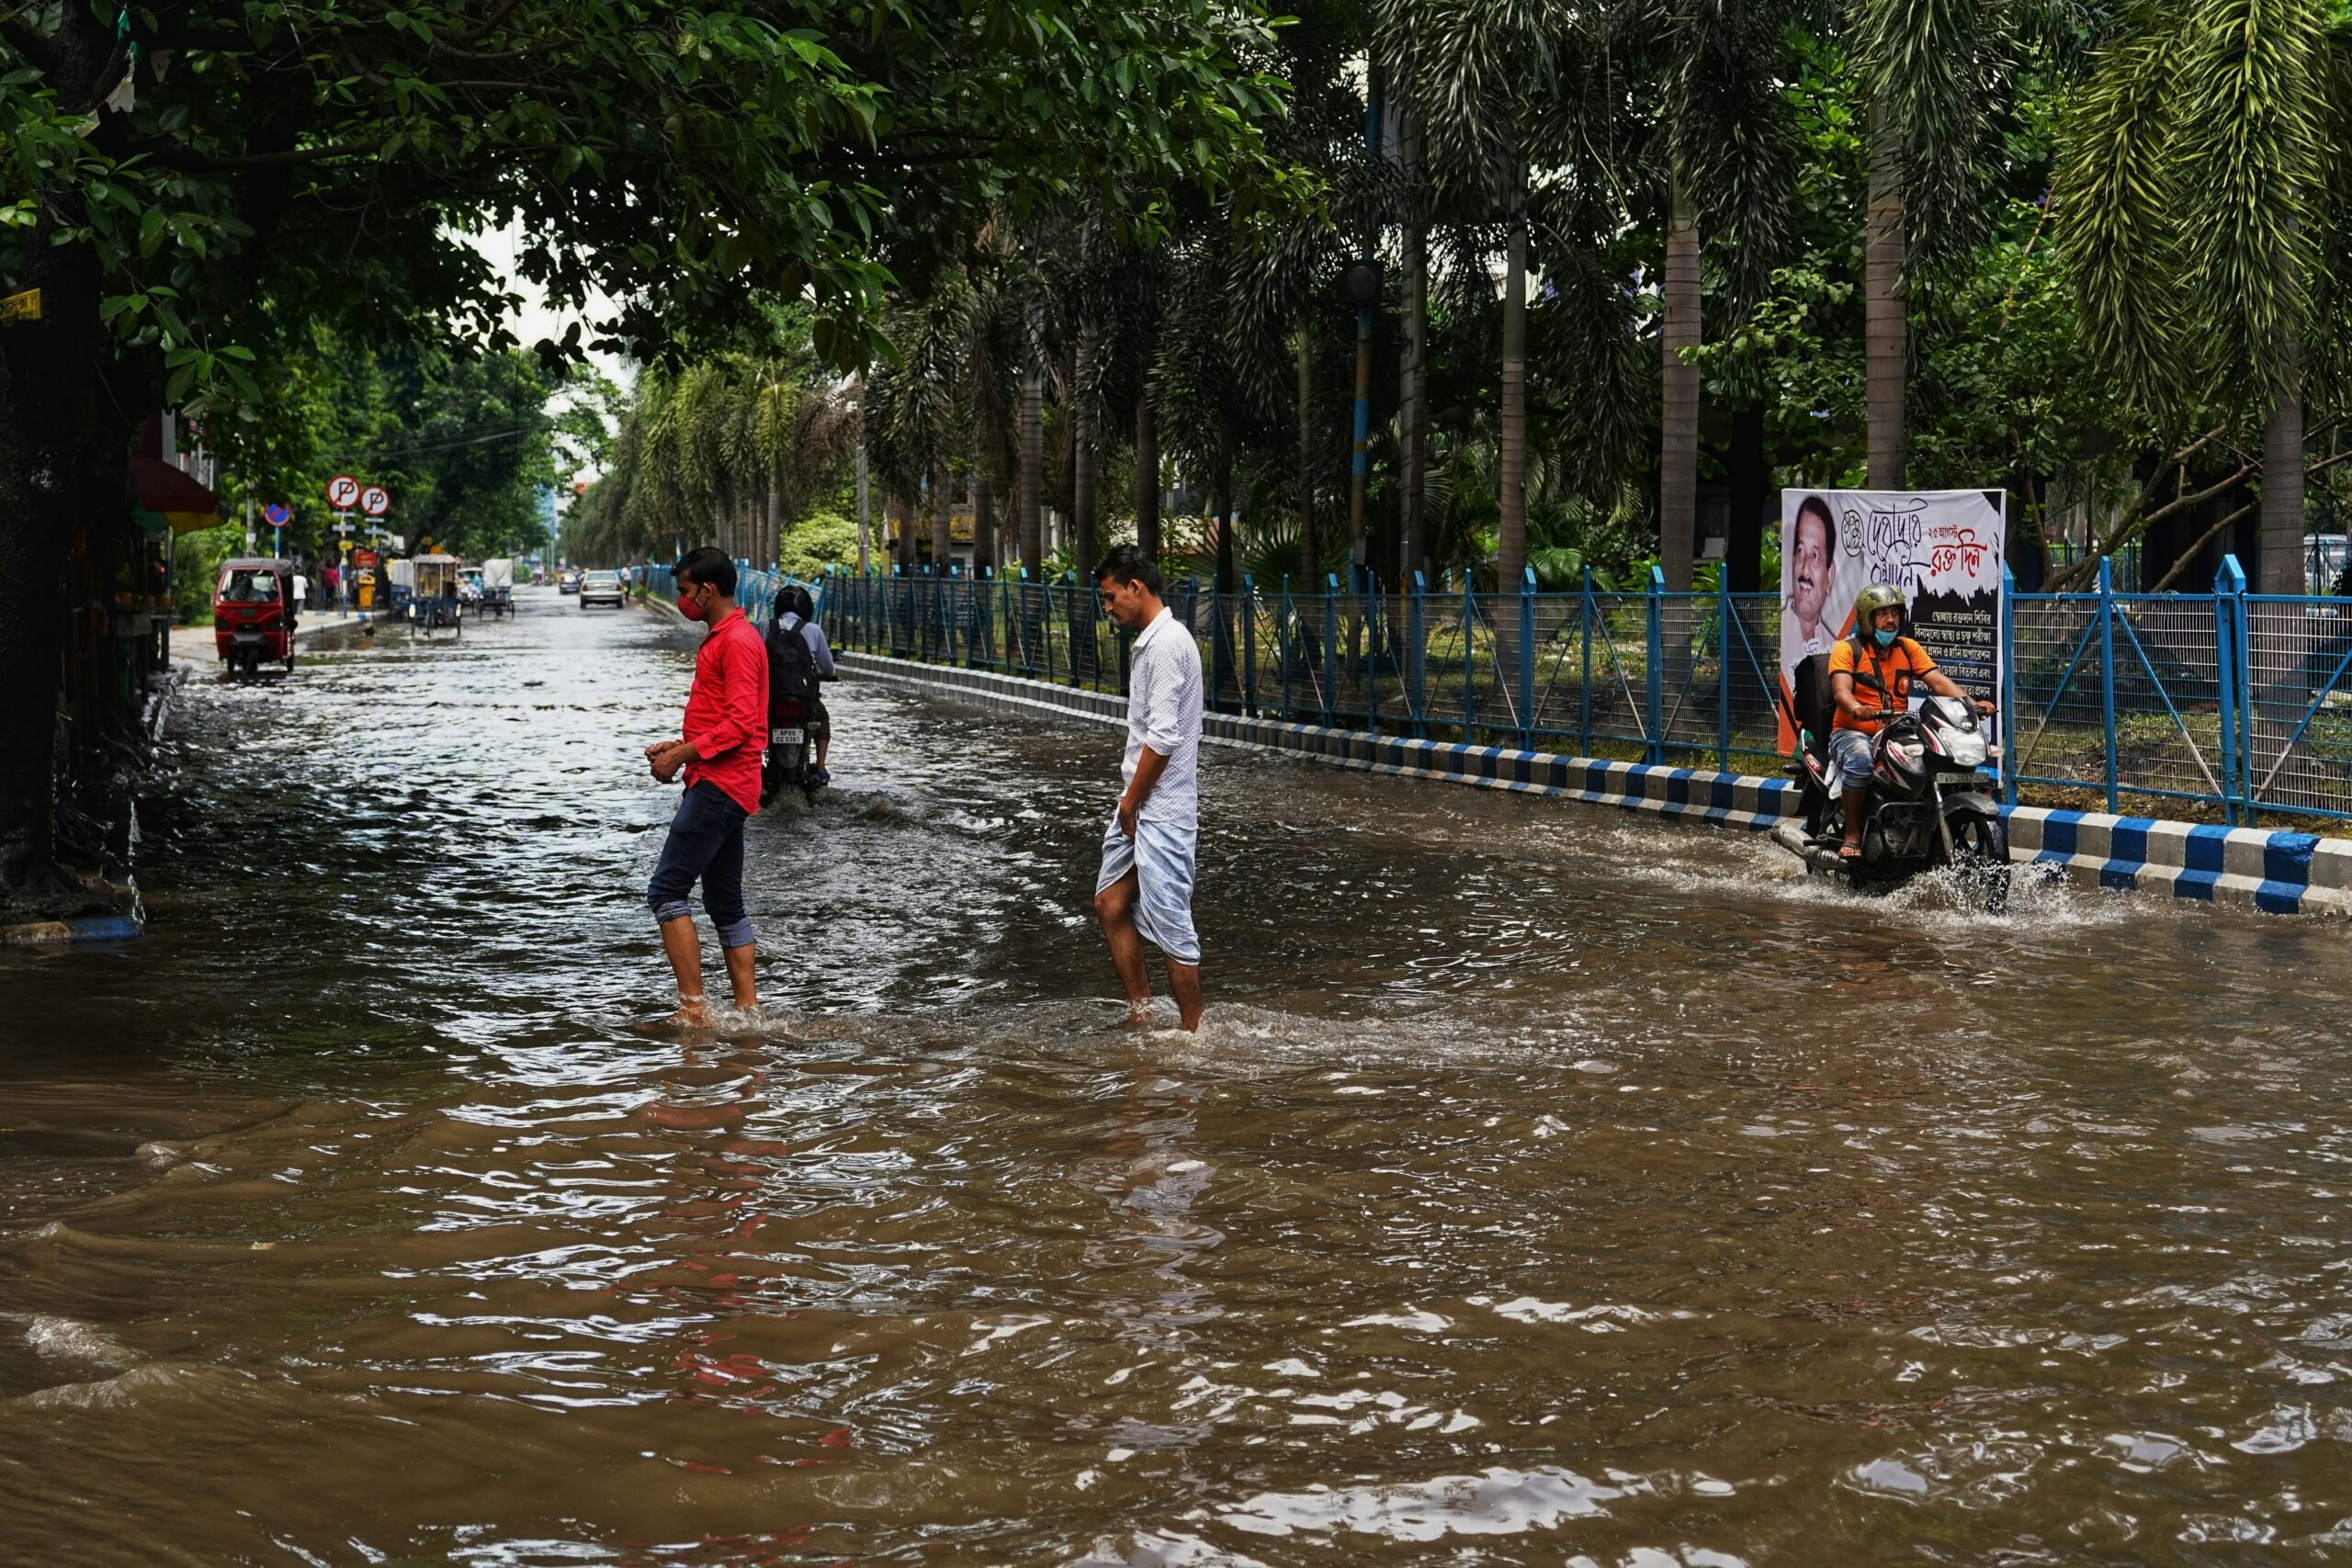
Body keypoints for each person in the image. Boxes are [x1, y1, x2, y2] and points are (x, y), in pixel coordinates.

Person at [641, 546, 770, 1026]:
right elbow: (728, 720)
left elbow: (740, 725)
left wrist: (683, 755)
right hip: (725, 781)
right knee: (723, 900)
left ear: (707, 590)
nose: (682, 599)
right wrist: (679, 746)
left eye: (684, 590)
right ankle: (748, 1014)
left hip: (720, 785)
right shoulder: (728, 636)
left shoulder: (736, 641)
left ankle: (693, 1012)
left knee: (666, 892)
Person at [1091, 545, 1204, 1031]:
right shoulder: (1151, 642)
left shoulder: (1167, 644)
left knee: (1173, 928)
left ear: (1135, 588)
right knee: (1110, 903)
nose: (1109, 607)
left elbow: (1163, 737)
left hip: (1161, 808)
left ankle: (1193, 1036)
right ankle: (1142, 1013)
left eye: (1112, 596)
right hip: (1138, 805)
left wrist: (1131, 803)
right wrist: (1129, 804)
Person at [1827, 582, 1996, 861]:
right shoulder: (1848, 650)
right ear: (1867, 618)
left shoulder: (1908, 648)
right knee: (1859, 762)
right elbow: (1841, 691)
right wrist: (1857, 707)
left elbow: (1939, 682)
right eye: (1883, 614)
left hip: (1896, 730)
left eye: (1895, 613)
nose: (1891, 620)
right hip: (1852, 731)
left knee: (1932, 760)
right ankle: (1853, 834)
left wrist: (1972, 704)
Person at [775, 583, 836, 782]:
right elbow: (828, 668)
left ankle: (751, 765)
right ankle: (820, 767)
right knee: (822, 718)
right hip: (803, 698)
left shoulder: (764, 626)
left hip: (770, 699)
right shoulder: (813, 630)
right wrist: (828, 674)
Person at [1785, 494, 1840, 663]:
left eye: (1815, 556)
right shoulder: (1781, 637)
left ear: (1829, 576)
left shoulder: (1835, 649)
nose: (1805, 569)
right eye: (1801, 551)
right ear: (1793, 560)